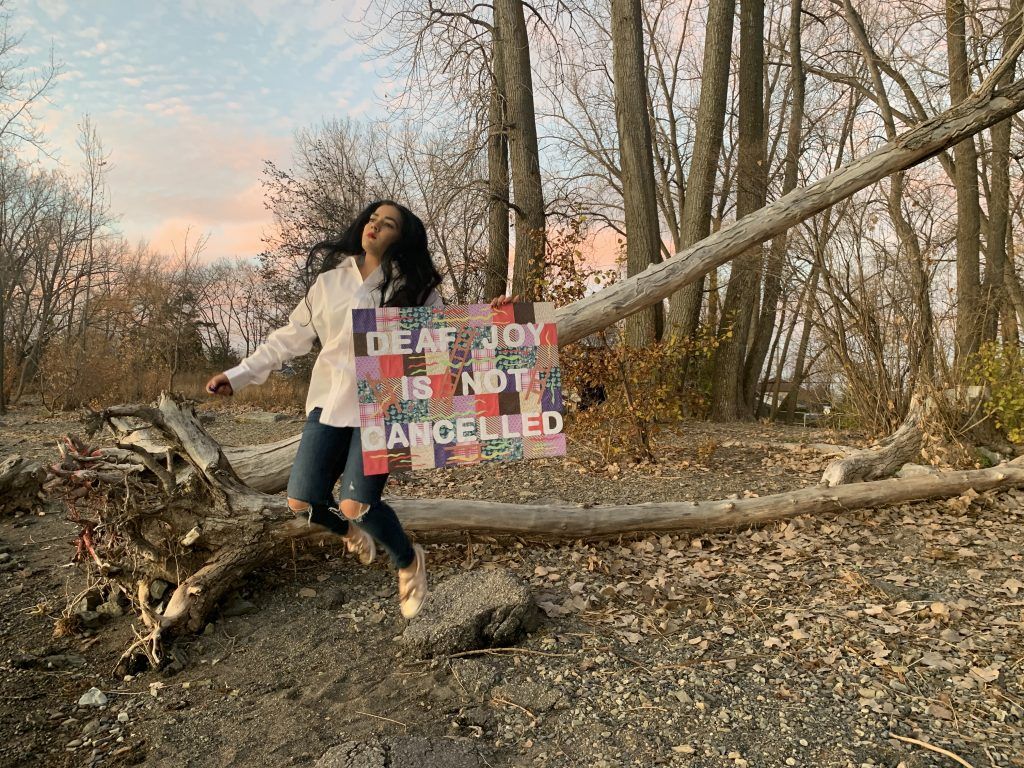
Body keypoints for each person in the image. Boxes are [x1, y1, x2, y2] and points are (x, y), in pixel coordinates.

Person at [205, 200, 445, 619]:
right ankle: (349, 532)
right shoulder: (330, 282)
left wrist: (497, 320)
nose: (375, 227)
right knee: (303, 500)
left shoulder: (417, 289)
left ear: (400, 238)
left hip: (382, 408)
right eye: (373, 219)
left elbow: (448, 339)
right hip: (329, 401)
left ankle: (408, 560)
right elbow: (288, 340)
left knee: (359, 502)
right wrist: (238, 375)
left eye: (388, 224)